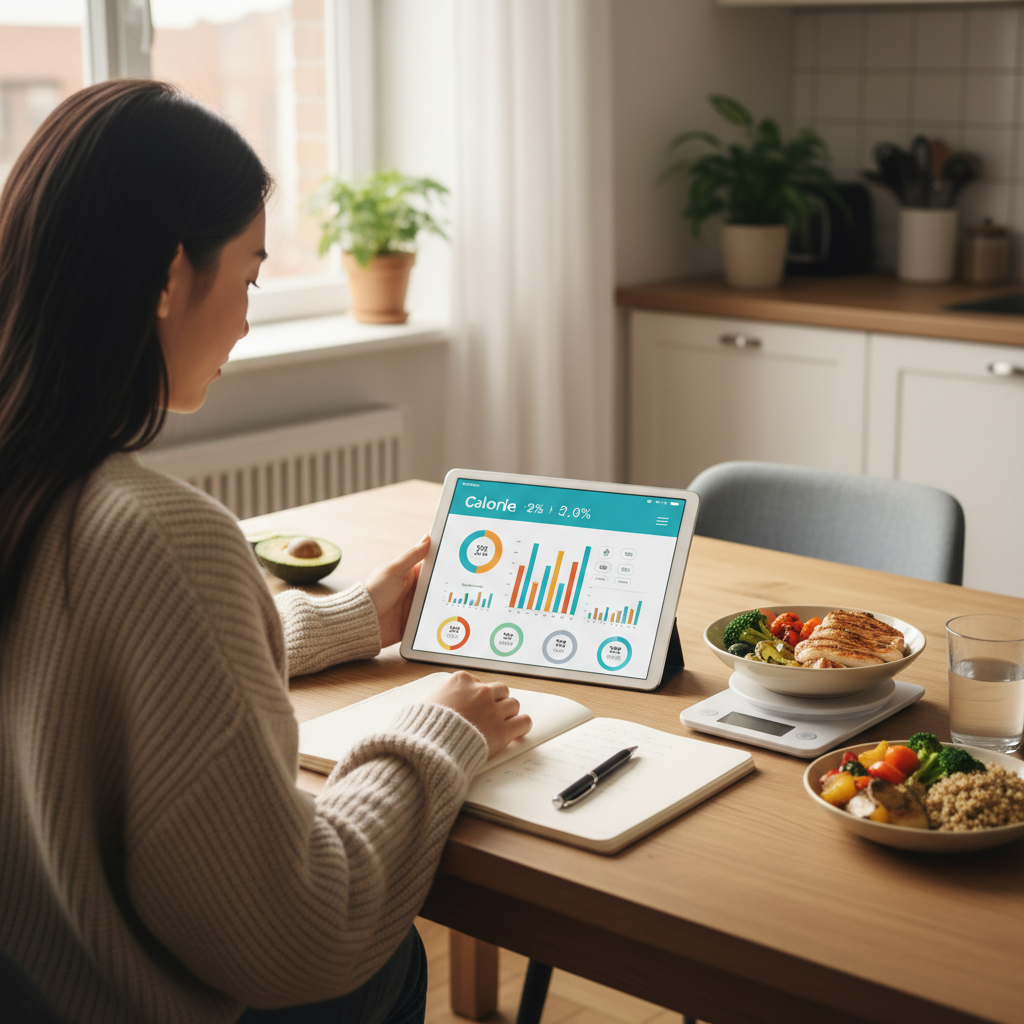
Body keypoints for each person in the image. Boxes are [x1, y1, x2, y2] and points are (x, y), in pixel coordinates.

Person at [0, 79, 531, 1024]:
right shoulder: (157, 534)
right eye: (247, 277)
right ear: (170, 278)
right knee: (389, 958)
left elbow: (78, 674)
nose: (246, 319)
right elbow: (300, 937)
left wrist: (345, 621)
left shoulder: (33, 486)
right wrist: (435, 731)